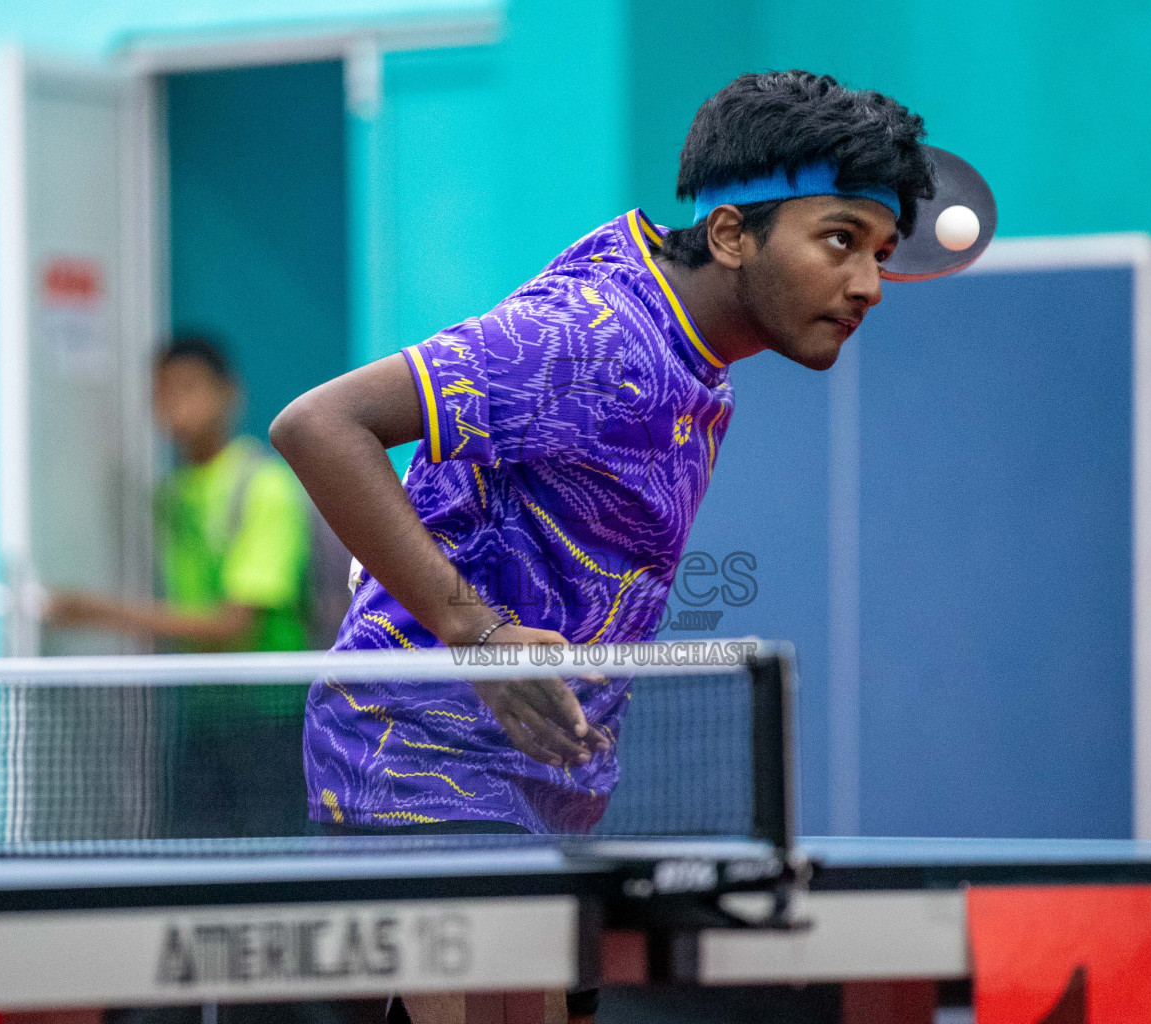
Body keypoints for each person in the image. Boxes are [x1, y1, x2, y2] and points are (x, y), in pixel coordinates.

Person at [270, 71, 936, 1024]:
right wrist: (480, 633)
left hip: (547, 786)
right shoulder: (594, 342)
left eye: (879, 251)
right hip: (431, 768)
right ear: (732, 234)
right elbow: (319, 424)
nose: (868, 283)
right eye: (839, 241)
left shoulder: (698, 360)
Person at [48, 334, 314, 838]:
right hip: (199, 716)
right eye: (163, 392)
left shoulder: (265, 487)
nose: (176, 405)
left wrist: (95, 611)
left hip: (272, 718)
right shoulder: (169, 495)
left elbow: (231, 626)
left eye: (189, 387)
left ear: (229, 394)